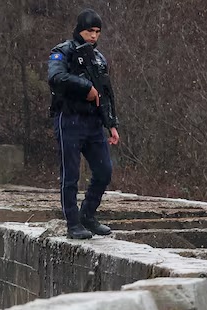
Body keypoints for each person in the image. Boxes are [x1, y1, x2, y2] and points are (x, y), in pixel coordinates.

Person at [47, 9, 120, 240]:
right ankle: (73, 223)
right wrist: (84, 87)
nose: (94, 36)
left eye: (98, 32)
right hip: (68, 118)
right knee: (70, 175)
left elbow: (106, 93)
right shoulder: (63, 51)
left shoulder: (99, 59)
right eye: (90, 31)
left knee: (104, 170)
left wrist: (111, 124)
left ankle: (87, 214)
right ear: (80, 29)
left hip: (93, 122)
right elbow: (56, 78)